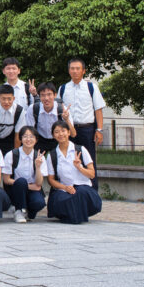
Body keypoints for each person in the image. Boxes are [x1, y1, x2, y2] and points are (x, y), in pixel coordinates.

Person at [57, 58, 106, 189]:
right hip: (69, 130)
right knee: (69, 160)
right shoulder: (63, 88)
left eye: (78, 68)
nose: (75, 71)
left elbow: (98, 109)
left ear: (83, 71)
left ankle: (92, 192)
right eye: (72, 68)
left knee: (89, 160)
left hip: (87, 130)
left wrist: (99, 130)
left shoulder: (91, 87)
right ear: (69, 71)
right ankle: (73, 189)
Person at [46, 120, 102, 223]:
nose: (61, 134)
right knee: (61, 198)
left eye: (63, 131)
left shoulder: (81, 150)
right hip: (64, 188)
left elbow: (92, 174)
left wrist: (79, 167)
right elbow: (51, 180)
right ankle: (76, 215)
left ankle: (73, 217)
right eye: (57, 132)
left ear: (69, 132)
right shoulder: (52, 155)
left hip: (82, 187)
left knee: (79, 193)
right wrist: (65, 188)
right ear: (53, 135)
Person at [1, 126, 47, 223]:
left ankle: (28, 212)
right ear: (20, 139)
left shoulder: (39, 157)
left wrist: (38, 167)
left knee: (39, 203)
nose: (28, 139)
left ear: (36, 140)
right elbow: (6, 180)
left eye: (31, 137)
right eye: (25, 136)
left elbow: (39, 183)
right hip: (16, 188)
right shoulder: (11, 155)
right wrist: (27, 186)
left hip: (32, 189)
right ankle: (19, 210)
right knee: (21, 182)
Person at [25, 82, 74, 152]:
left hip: (58, 139)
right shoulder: (33, 109)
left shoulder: (62, 110)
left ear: (55, 95)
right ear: (39, 96)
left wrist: (66, 120)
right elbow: (30, 131)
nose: (46, 98)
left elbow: (73, 134)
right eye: (43, 95)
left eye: (49, 94)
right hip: (40, 139)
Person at [0, 84, 24, 153]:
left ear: (13, 98)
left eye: (9, 99)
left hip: (10, 141)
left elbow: (17, 135)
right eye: (3, 99)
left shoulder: (19, 111)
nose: (6, 102)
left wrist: (15, 154)